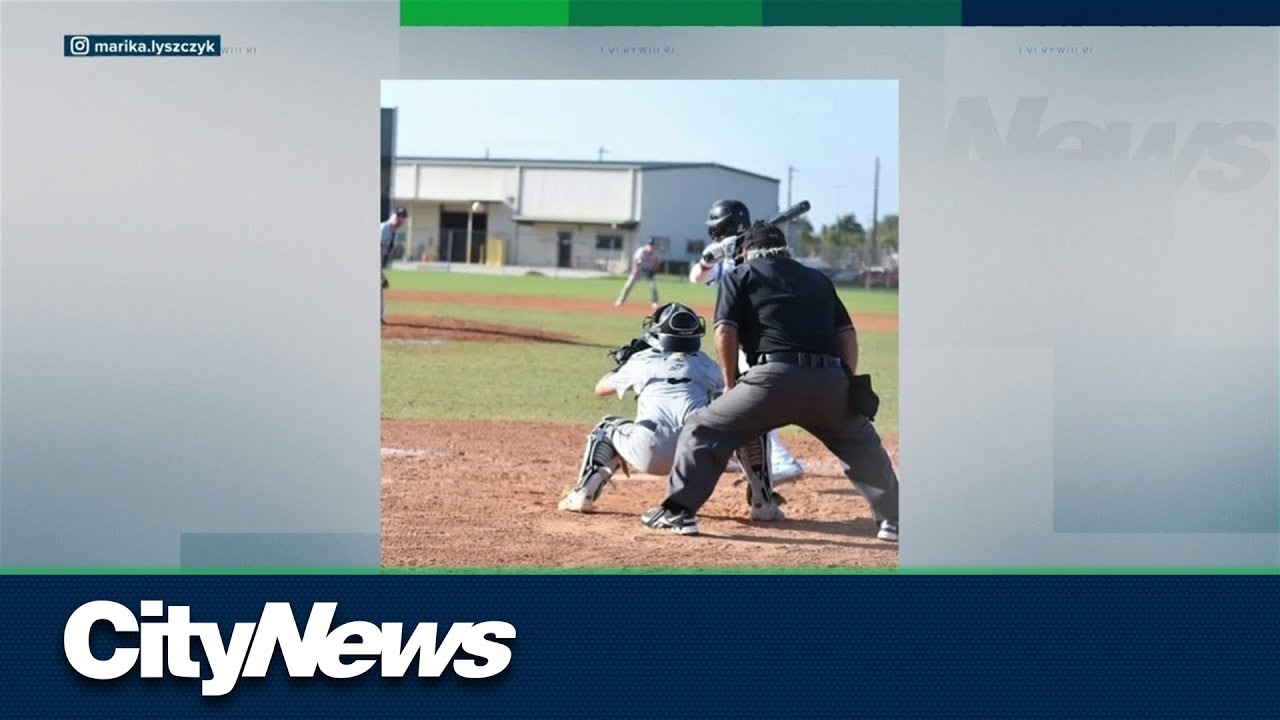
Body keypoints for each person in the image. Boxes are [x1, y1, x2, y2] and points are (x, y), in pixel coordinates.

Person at [641, 221, 900, 541]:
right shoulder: (818, 279)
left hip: (771, 380)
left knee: (704, 428)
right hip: (829, 381)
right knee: (861, 442)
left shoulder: (740, 275)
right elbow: (847, 334)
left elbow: (724, 331)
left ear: (748, 252)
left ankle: (679, 512)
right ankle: (894, 521)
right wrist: (848, 380)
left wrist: (730, 384)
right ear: (785, 250)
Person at [560, 302, 774, 517]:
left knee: (606, 428)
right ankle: (763, 502)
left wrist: (623, 364)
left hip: (649, 454)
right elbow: (731, 396)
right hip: (697, 458)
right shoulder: (706, 364)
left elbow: (601, 388)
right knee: (750, 427)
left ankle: (582, 493)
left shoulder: (641, 360)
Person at [690, 199, 806, 486]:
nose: (714, 234)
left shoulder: (760, 255)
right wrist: (711, 258)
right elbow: (697, 277)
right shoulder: (725, 257)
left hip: (757, 341)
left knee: (751, 400)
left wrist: (741, 254)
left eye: (717, 229)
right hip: (740, 341)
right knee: (739, 397)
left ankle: (780, 461)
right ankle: (746, 453)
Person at [615, 239, 662, 311]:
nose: (651, 247)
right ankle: (620, 300)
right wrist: (635, 270)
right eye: (650, 245)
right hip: (639, 271)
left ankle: (654, 302)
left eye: (652, 245)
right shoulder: (641, 251)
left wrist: (653, 271)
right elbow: (636, 261)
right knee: (628, 285)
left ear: (654, 246)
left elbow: (657, 263)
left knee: (653, 287)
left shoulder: (656, 253)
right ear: (647, 245)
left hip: (649, 272)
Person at [380, 207, 408, 325]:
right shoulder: (384, 229)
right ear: (392, 216)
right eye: (398, 216)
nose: (400, 219)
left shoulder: (392, 232)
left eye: (403, 217)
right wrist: (382, 276)